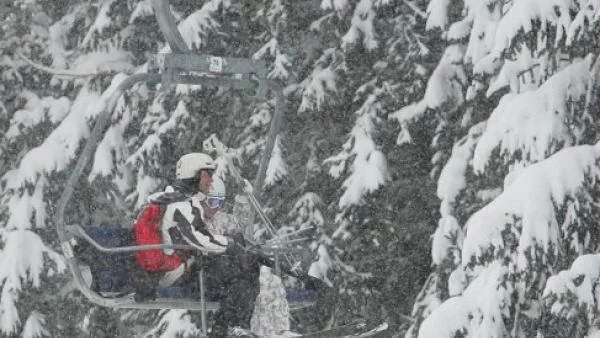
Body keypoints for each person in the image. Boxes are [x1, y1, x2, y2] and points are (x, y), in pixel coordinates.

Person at [133, 152, 260, 338]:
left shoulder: (184, 200)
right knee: (245, 270)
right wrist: (230, 245)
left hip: (186, 267)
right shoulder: (178, 203)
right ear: (193, 174)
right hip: (177, 274)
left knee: (244, 268)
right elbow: (197, 238)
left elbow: (202, 236)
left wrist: (231, 247)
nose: (210, 180)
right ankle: (228, 328)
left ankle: (228, 328)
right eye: (207, 174)